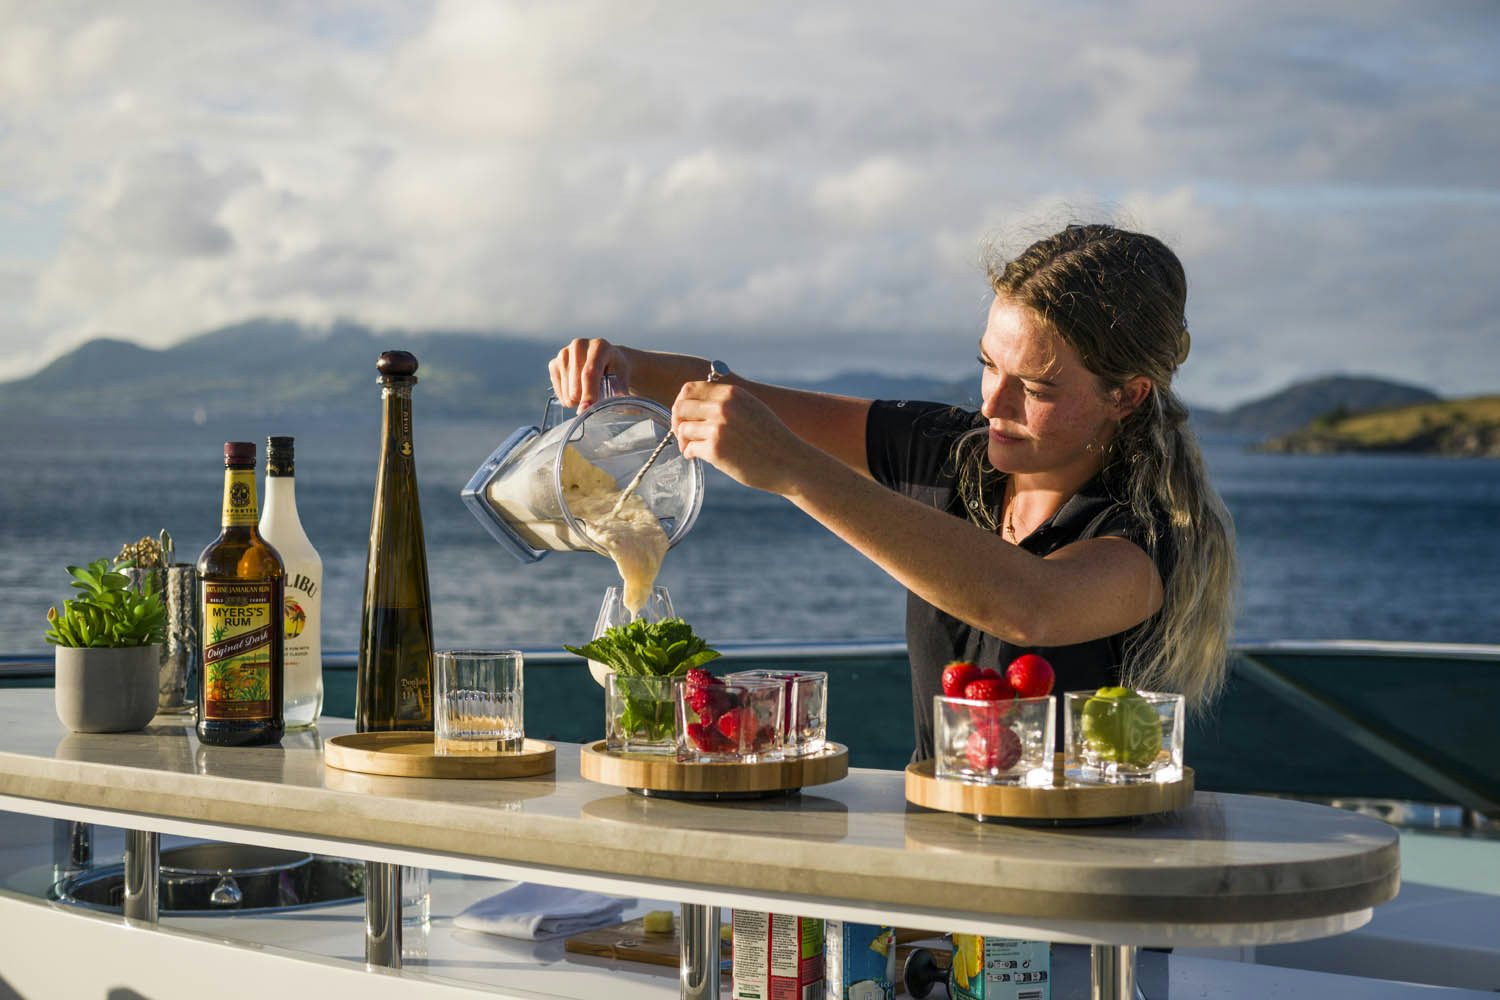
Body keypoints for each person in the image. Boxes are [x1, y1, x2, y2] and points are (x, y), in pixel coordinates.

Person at [550, 223, 1237, 759]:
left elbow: (1030, 604)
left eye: (1036, 388)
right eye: (987, 365)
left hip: (1085, 875)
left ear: (1127, 395)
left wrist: (793, 470)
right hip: (938, 851)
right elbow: (748, 398)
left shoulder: (1148, 529)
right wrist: (629, 366)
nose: (992, 404)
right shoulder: (952, 452)